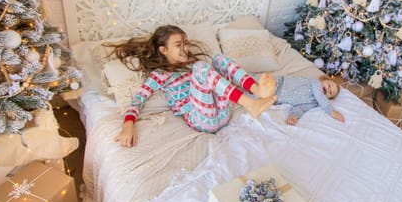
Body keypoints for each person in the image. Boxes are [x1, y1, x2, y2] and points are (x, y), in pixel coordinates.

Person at [109, 25, 277, 148]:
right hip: (202, 119)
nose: (185, 49)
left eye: (186, 43)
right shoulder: (160, 74)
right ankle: (250, 104)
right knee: (201, 67)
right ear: (163, 50)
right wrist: (127, 125)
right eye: (178, 45)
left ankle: (257, 91)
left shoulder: (191, 64)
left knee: (219, 59)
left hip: (222, 113)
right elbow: (138, 100)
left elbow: (214, 80)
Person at [269, 74, 345, 125]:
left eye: (330, 93)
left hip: (274, 98)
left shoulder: (314, 103)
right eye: (329, 85)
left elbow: (300, 108)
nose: (328, 89)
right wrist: (331, 111)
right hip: (277, 83)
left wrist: (293, 116)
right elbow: (319, 93)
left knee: (259, 97)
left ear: (328, 98)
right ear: (323, 80)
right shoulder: (314, 82)